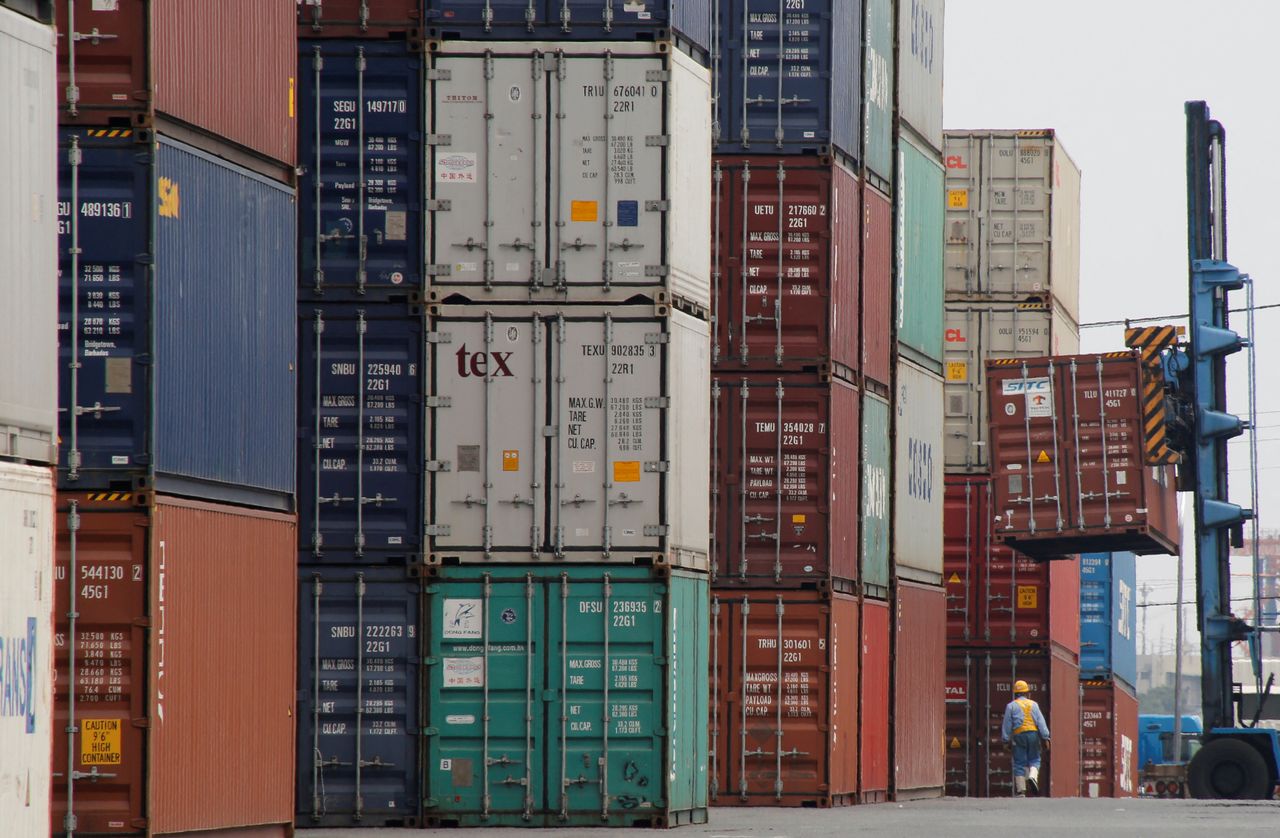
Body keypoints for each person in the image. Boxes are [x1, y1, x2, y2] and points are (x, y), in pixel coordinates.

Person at [1001, 679, 1051, 797]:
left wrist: (1005, 740)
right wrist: (1046, 737)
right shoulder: (1034, 704)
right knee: (1035, 759)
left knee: (1019, 762)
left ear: (1015, 693)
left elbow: (1007, 725)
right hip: (1033, 734)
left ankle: (1021, 791)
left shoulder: (1011, 706)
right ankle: (1033, 776)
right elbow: (1041, 722)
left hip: (1019, 735)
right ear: (1027, 693)